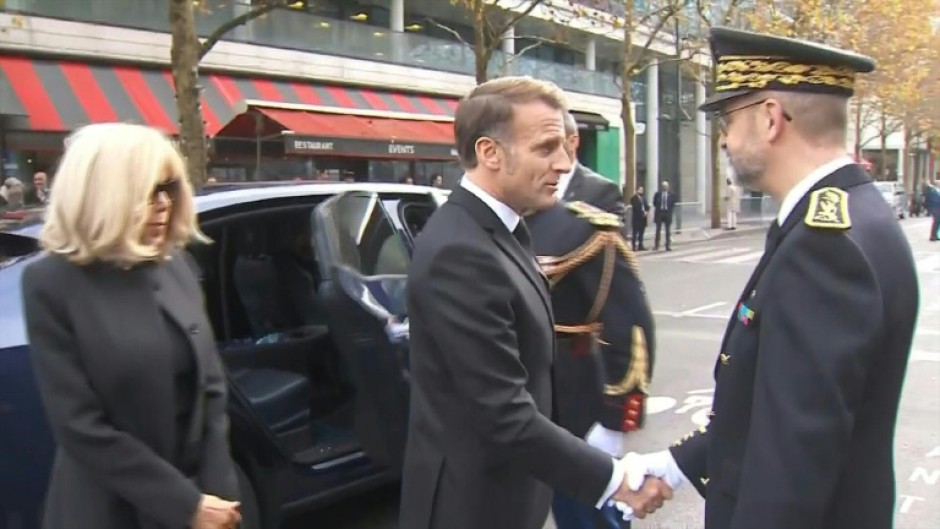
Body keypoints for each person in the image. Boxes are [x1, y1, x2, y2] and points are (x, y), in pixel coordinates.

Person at [626, 27, 919, 529]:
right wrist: (675, 464)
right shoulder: (848, 216)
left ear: (768, 119)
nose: (722, 138)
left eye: (728, 118)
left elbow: (792, 468)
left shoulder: (823, 249)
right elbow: (770, 410)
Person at [400, 76, 670, 529]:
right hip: (470, 508)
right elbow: (502, 411)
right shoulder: (460, 251)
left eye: (565, 147)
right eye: (546, 148)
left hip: (506, 493)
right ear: (490, 153)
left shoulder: (503, 228)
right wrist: (615, 478)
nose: (565, 164)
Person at [21, 123, 242, 529]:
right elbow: (79, 426)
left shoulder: (175, 264)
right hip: (109, 508)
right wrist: (183, 504)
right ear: (102, 195)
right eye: (146, 191)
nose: (162, 204)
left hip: (202, 501)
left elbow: (210, 386)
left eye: (168, 188)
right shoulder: (50, 283)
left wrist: (218, 491)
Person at [529, 200, 656, 529]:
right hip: (520, 405)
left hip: (574, 405)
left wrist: (615, 419)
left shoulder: (585, 230)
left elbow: (632, 328)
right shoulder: (492, 227)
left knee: (587, 517)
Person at [558, 111, 625, 218]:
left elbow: (615, 233)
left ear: (573, 142)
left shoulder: (602, 190)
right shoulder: (529, 186)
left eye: (555, 141)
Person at [651, 181, 676, 251]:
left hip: (667, 213)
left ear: (668, 187)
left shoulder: (671, 195)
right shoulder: (657, 194)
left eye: (666, 186)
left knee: (668, 230)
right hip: (659, 213)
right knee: (658, 230)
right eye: (663, 186)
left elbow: (673, 204)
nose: (665, 187)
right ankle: (656, 245)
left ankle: (668, 245)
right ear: (661, 187)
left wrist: (669, 211)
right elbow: (654, 203)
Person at [629, 186, 649, 250]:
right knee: (635, 233)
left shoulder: (643, 198)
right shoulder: (634, 198)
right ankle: (634, 246)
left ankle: (641, 245)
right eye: (640, 190)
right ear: (637, 190)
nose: (641, 191)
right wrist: (642, 212)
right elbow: (636, 207)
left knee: (641, 232)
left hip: (643, 218)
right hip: (637, 218)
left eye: (642, 190)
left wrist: (646, 212)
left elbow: (647, 206)